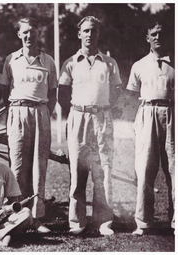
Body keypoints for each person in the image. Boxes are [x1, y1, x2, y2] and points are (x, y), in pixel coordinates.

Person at [58, 16, 122, 236]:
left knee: (103, 168)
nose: (89, 35)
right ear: (79, 34)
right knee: (77, 169)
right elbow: (62, 95)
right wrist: (78, 114)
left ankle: (104, 221)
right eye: (85, 31)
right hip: (78, 117)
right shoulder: (69, 63)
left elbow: (116, 93)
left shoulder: (109, 63)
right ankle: (77, 221)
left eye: (93, 31)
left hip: (102, 118)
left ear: (99, 34)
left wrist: (101, 110)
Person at [0, 17, 57, 233]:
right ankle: (17, 217)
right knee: (18, 167)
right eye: (25, 32)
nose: (29, 36)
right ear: (19, 34)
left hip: (41, 113)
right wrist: (18, 112)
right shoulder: (11, 59)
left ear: (38, 34)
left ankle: (37, 218)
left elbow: (53, 94)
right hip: (17, 111)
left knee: (39, 167)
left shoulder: (48, 61)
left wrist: (42, 113)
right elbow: (5, 92)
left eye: (33, 32)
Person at [126, 18, 174, 236]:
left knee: (174, 168)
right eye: (153, 34)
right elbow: (130, 97)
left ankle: (175, 220)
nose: (158, 38)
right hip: (146, 113)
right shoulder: (139, 65)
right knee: (145, 168)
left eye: (161, 33)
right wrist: (136, 124)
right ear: (147, 38)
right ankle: (144, 222)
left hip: (172, 115)